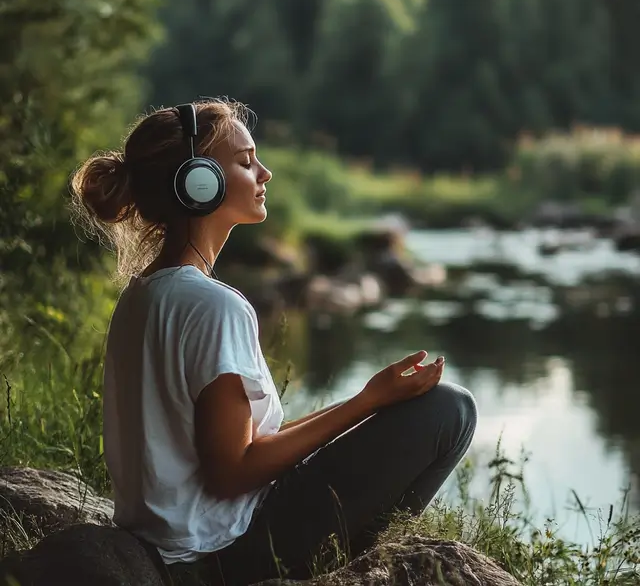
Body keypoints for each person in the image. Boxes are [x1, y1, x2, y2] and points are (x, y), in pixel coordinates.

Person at [69, 97, 477, 586]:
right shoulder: (213, 306)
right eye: (245, 162)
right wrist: (368, 401)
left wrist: (369, 402)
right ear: (200, 184)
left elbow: (240, 448)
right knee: (450, 411)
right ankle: (365, 569)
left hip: (172, 550)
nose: (265, 173)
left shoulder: (140, 296)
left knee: (424, 409)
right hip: (224, 554)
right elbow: (233, 473)